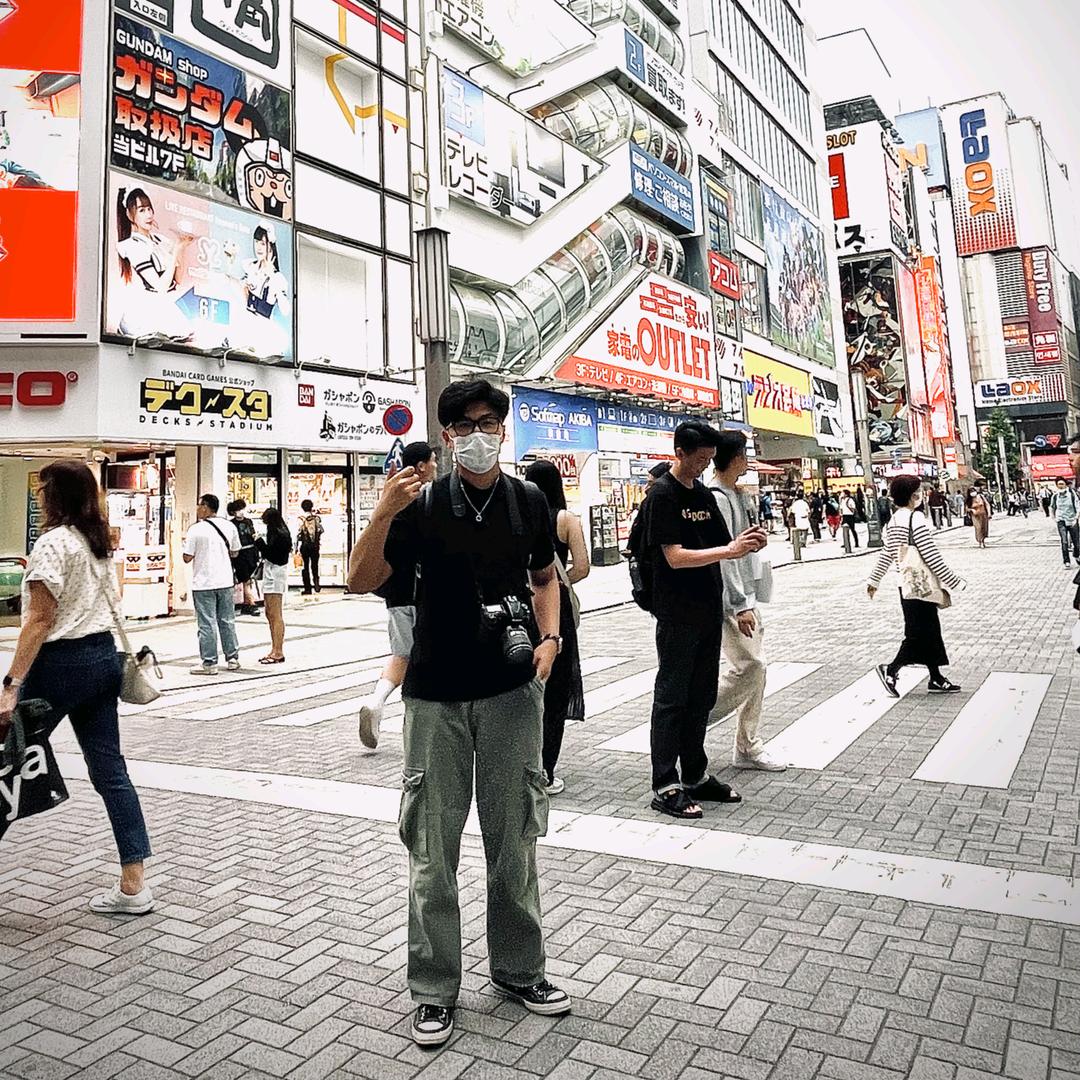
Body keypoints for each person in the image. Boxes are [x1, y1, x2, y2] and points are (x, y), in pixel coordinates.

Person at [347, 378, 569, 1047]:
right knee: (431, 851)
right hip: (434, 695)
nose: (478, 434)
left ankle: (520, 971)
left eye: (489, 422)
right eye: (465, 425)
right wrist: (382, 511)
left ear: (504, 429)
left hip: (511, 693)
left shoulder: (528, 500)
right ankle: (434, 990)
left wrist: (550, 637)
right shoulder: (421, 504)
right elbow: (359, 580)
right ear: (446, 437)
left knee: (515, 841)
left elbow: (544, 577)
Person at [0, 461, 154, 914]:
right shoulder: (96, 541)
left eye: (43, 488)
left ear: (55, 495)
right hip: (102, 659)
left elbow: (39, 620)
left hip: (59, 665)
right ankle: (134, 884)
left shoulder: (53, 543)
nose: (39, 495)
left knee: (7, 763)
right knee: (111, 772)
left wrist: (11, 683)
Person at [639, 420, 767, 820]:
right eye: (699, 459)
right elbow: (674, 556)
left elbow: (722, 543)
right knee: (672, 699)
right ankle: (665, 783)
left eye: (709, 460)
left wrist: (747, 544)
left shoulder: (702, 494)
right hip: (677, 612)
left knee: (701, 698)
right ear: (679, 453)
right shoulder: (663, 496)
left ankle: (695, 774)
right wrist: (729, 551)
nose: (704, 466)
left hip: (708, 610)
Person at [710, 432, 785, 773]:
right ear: (736, 457)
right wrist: (740, 604)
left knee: (757, 669)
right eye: (745, 454)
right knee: (752, 666)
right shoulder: (718, 498)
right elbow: (725, 556)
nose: (748, 461)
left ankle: (748, 744)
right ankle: (695, 718)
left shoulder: (737, 495)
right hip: (732, 599)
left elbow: (742, 546)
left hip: (746, 596)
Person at [357, 442, 439, 749]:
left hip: (397, 595)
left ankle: (376, 701)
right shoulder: (427, 500)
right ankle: (416, 721)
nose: (435, 466)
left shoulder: (392, 501)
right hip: (427, 595)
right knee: (424, 660)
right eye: (432, 461)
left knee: (402, 654)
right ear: (421, 466)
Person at [524, 460, 590, 795]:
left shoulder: (519, 513)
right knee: (555, 688)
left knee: (526, 683)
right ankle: (546, 770)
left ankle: (523, 762)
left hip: (523, 605)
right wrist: (561, 584)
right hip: (556, 609)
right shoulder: (565, 519)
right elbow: (583, 566)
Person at [868, 474, 963, 697]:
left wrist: (874, 580)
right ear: (913, 495)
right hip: (921, 583)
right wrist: (953, 580)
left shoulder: (893, 521)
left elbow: (887, 554)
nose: (921, 495)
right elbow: (930, 554)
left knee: (928, 630)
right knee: (917, 633)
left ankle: (936, 677)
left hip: (906, 584)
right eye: (919, 491)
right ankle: (891, 669)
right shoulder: (916, 518)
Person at [184, 494, 241, 675]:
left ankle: (209, 663)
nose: (197, 508)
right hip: (225, 582)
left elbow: (187, 557)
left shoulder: (195, 530)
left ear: (206, 507)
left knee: (207, 623)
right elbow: (235, 552)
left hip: (203, 584)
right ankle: (232, 658)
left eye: (199, 505)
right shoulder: (229, 526)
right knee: (227, 620)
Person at [255, 508, 291, 664]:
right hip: (271, 574)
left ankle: (278, 650)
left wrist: (259, 543)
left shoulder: (279, 535)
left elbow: (274, 556)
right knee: (269, 612)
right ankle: (274, 648)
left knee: (275, 614)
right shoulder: (278, 532)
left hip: (275, 575)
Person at [228, 498, 260, 616]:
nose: (241, 511)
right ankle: (252, 603)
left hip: (251, 552)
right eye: (238, 509)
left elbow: (253, 535)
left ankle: (246, 605)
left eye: (242, 509)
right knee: (245, 579)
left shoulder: (249, 522)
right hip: (240, 554)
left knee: (249, 579)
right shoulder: (231, 524)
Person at [297, 498, 323, 595]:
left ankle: (307, 588)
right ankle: (316, 583)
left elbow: (298, 534)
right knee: (315, 565)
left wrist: (296, 548)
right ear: (311, 507)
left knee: (305, 567)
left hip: (305, 546)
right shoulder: (316, 518)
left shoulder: (301, 519)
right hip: (315, 546)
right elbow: (321, 530)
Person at [1052, 478, 1080, 567]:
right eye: (1059, 484)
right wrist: (1054, 518)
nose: (1061, 486)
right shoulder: (1055, 496)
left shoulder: (1072, 494)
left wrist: (1076, 518)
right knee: (1064, 541)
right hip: (1061, 520)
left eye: (1062, 484)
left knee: (1076, 542)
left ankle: (1076, 554)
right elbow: (1052, 507)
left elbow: (1078, 506)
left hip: (1072, 520)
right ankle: (1066, 561)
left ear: (1065, 485)